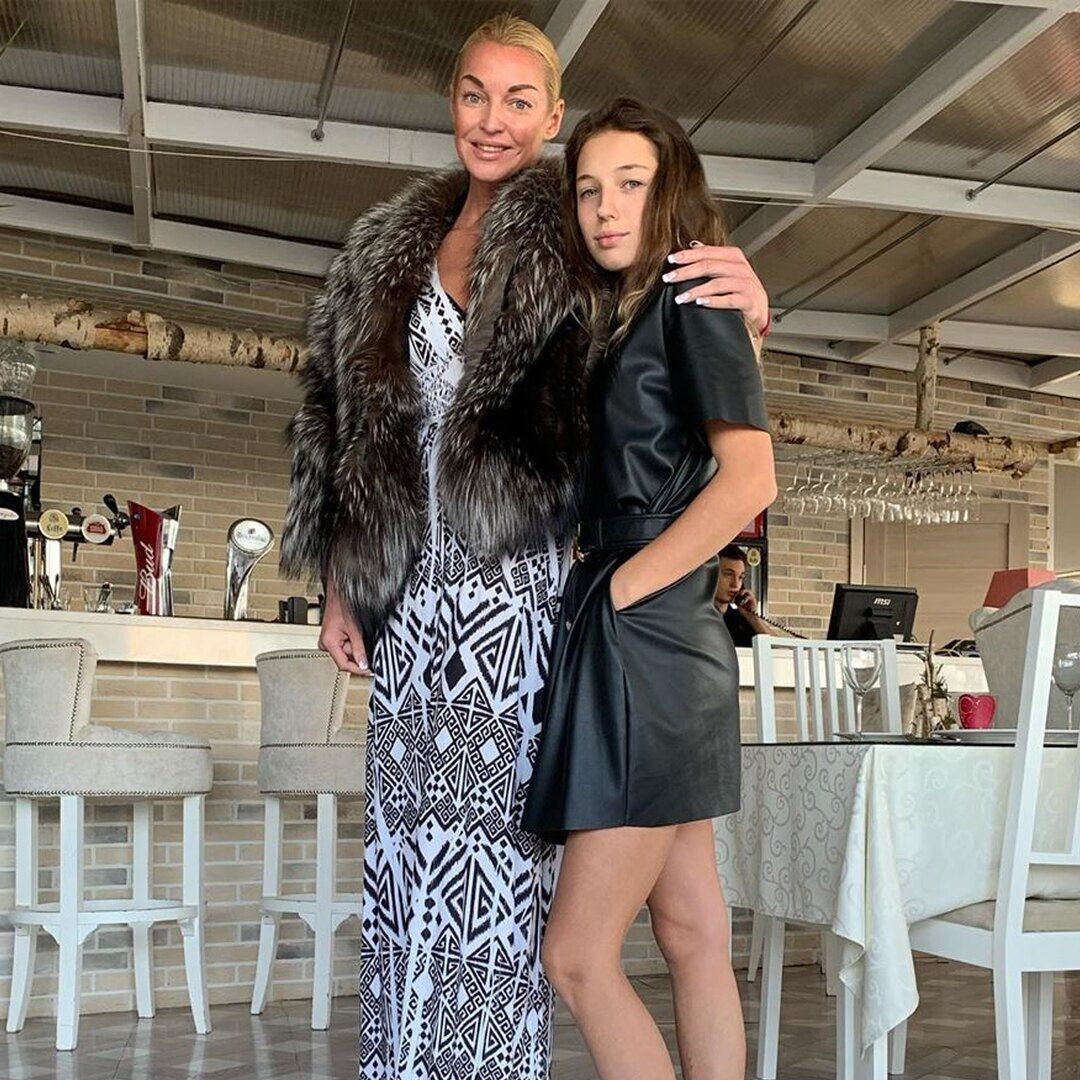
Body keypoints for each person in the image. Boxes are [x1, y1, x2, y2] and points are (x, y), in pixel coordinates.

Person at [280, 16, 771, 1079]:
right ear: (451, 103)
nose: (492, 120)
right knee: (410, 868)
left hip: (527, 609)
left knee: (503, 889)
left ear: (551, 117)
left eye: (517, 100)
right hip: (413, 608)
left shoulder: (576, 237)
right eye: (474, 94)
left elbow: (668, 317)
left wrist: (750, 302)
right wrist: (341, 582)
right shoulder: (381, 253)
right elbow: (341, 422)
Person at [523, 98, 777, 1080]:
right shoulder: (622, 315)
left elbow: (749, 482)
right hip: (651, 632)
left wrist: (626, 587)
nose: (605, 206)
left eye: (629, 184)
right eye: (589, 188)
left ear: (668, 192)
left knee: (577, 958)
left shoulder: (694, 293)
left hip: (647, 635)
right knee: (690, 932)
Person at [714, 542, 779, 647]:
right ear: (710, 575)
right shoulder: (695, 616)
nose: (735, 584)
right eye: (728, 575)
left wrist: (753, 618)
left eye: (740, 577)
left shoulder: (740, 620)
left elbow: (781, 651)